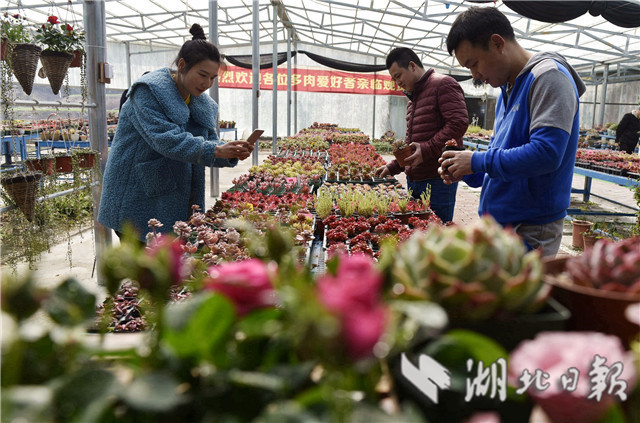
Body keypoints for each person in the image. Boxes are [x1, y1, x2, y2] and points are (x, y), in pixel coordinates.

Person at [440, 6, 586, 257]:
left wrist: (476, 160)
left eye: (474, 64)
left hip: (530, 228)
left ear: (497, 43)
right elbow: (506, 158)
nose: (475, 75)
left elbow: (546, 154)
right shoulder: (506, 90)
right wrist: (468, 171)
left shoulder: (548, 77)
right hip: (504, 225)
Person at [99, 23, 252, 241]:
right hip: (136, 194)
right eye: (202, 75)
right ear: (182, 65)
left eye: (213, 78)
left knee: (168, 257)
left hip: (174, 194)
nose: (207, 83)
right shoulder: (148, 92)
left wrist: (231, 152)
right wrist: (217, 150)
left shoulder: (203, 104)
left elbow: (209, 144)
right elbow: (167, 140)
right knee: (144, 258)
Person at [374, 47, 468, 223]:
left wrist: (426, 149)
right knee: (416, 232)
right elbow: (414, 142)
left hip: (438, 180)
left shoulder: (443, 84)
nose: (397, 82)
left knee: (435, 231)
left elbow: (458, 123)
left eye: (398, 76)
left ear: (412, 66)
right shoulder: (413, 99)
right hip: (415, 180)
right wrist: (394, 166)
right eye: (394, 79)